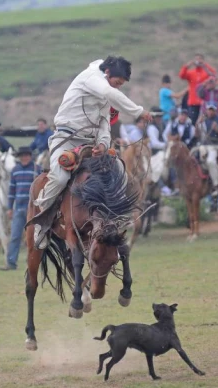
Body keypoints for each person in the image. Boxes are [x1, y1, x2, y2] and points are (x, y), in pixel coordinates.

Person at [31, 56, 150, 249]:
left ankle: (116, 217)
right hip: (66, 139)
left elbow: (104, 123)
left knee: (118, 168)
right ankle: (41, 223)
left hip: (91, 143)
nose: (117, 88)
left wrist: (103, 144)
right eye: (117, 83)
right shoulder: (92, 78)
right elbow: (111, 94)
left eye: (121, 85)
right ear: (108, 73)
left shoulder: (106, 93)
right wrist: (138, 111)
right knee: (60, 178)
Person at [3, 147, 42, 271]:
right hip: (19, 209)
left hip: (34, 209)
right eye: (22, 155)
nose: (24, 157)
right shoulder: (15, 170)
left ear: (30, 156)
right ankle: (11, 263)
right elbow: (11, 191)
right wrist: (10, 208)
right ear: (19, 157)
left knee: (34, 237)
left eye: (26, 155)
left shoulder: (37, 169)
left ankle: (33, 262)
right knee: (15, 236)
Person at [199, 103, 218, 195]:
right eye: (209, 109)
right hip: (204, 145)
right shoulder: (204, 120)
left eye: (212, 110)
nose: (210, 112)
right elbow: (197, 134)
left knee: (210, 161)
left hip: (215, 145)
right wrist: (198, 123)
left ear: (215, 110)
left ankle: (215, 184)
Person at [179, 53, 217, 123]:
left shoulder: (206, 72)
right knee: (192, 121)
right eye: (196, 59)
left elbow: (214, 75)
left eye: (200, 59)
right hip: (193, 102)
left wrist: (205, 65)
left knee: (205, 121)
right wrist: (187, 65)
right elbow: (182, 75)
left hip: (204, 102)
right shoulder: (191, 73)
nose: (198, 61)